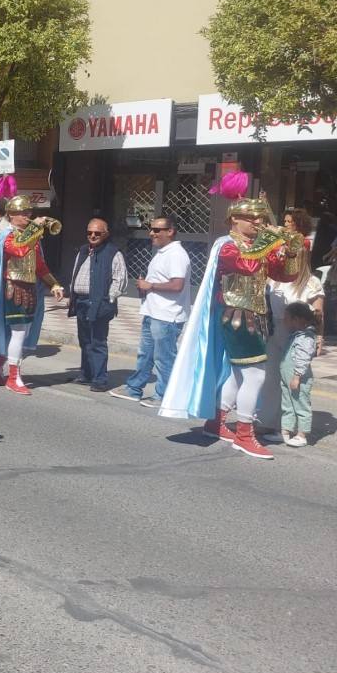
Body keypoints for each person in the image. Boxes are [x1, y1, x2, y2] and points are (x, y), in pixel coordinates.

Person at [159, 172, 301, 460]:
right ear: (235, 219)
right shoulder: (227, 245)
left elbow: (285, 275)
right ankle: (245, 434)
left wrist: (289, 252)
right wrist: (272, 243)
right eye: (253, 218)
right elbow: (247, 267)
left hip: (257, 315)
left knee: (240, 375)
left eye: (261, 219)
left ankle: (217, 421)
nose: (259, 223)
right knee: (255, 375)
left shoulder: (255, 246)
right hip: (237, 316)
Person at [0, 187, 65, 396]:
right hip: (13, 288)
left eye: (28, 213)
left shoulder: (28, 235)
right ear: (11, 215)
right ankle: (13, 376)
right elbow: (18, 249)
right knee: (18, 333)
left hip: (29, 287)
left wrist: (54, 284)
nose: (27, 216)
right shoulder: (7, 234)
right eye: (22, 213)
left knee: (16, 333)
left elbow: (39, 265)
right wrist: (35, 229)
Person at [111, 215, 189, 407]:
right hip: (153, 312)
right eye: (151, 229)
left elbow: (177, 285)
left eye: (157, 230)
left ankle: (164, 395)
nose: (151, 233)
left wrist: (150, 285)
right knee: (145, 354)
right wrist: (145, 287)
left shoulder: (176, 254)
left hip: (167, 315)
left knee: (163, 358)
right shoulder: (162, 252)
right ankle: (134, 388)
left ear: (170, 232)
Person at [258, 226, 325, 438]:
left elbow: (318, 314)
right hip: (274, 331)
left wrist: (319, 337)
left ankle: (291, 427)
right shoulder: (275, 277)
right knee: (270, 378)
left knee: (292, 383)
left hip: (296, 337)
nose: (284, 254)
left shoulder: (311, 283)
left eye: (290, 251)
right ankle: (269, 422)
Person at [66, 217, 127, 392]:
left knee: (98, 342)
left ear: (106, 234)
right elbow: (75, 272)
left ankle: (100, 379)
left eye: (97, 233)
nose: (93, 236)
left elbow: (120, 279)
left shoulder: (113, 252)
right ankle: (86, 374)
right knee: (84, 341)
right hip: (81, 301)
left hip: (100, 303)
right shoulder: (84, 250)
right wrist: (72, 294)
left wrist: (109, 298)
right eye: (89, 232)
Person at [275, 302, 319, 447]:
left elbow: (303, 358)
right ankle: (286, 430)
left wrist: (296, 377)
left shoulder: (305, 337)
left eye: (287, 318)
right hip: (287, 377)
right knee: (287, 404)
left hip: (298, 378)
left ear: (298, 319)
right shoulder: (295, 335)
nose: (284, 321)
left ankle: (302, 434)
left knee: (301, 404)